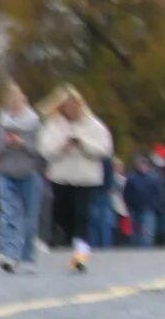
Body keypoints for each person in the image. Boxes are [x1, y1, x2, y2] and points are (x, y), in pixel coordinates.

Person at [37, 87, 114, 273]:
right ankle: (68, 241)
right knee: (64, 217)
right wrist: (62, 145)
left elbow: (104, 149)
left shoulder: (94, 125)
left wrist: (82, 143)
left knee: (83, 217)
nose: (71, 109)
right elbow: (44, 149)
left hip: (86, 178)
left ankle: (81, 256)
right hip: (61, 177)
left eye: (75, 105)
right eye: (67, 106)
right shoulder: (53, 125)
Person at [0, 84, 44, 274]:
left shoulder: (34, 123)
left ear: (24, 102)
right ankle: (10, 255)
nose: (14, 109)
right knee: (8, 215)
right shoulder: (0, 124)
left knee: (30, 219)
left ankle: (28, 257)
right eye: (10, 105)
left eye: (17, 104)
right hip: (6, 174)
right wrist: (6, 143)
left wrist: (23, 143)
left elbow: (40, 151)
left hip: (30, 174)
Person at [123, 154, 165, 248]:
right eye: (139, 164)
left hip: (148, 208)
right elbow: (127, 193)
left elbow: (159, 194)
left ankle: (146, 250)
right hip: (134, 209)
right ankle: (135, 249)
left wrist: (157, 205)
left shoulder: (154, 178)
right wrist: (129, 205)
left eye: (143, 164)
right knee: (135, 232)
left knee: (147, 233)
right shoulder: (132, 178)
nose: (141, 166)